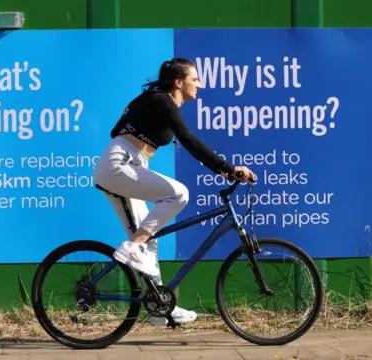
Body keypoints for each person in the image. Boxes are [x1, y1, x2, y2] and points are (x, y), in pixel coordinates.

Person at [92, 57, 257, 326]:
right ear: (179, 82)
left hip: (128, 163)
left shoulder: (158, 102)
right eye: (195, 79)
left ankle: (159, 308)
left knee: (151, 237)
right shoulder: (160, 100)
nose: (199, 85)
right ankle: (132, 247)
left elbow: (118, 128)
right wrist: (227, 168)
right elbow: (188, 140)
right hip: (118, 165)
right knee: (178, 194)